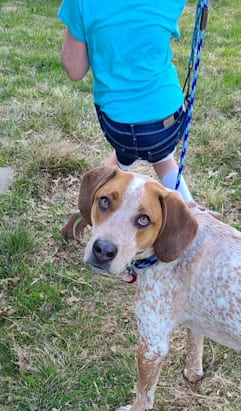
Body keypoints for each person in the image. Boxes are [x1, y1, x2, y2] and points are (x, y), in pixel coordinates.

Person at [58, 0, 196, 240]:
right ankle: (192, 209)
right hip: (166, 122)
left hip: (118, 125)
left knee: (127, 150)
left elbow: (74, 69)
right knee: (160, 155)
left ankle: (89, 208)